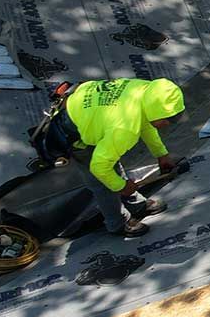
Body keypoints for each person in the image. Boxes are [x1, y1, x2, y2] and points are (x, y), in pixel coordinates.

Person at [63, 77, 186, 238]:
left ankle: (137, 205)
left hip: (88, 109)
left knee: (112, 163)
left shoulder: (144, 91)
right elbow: (99, 166)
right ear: (156, 111)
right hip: (73, 130)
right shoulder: (125, 128)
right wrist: (121, 186)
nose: (168, 124)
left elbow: (146, 126)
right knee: (102, 183)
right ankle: (117, 223)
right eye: (166, 120)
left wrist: (161, 154)